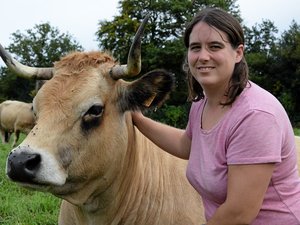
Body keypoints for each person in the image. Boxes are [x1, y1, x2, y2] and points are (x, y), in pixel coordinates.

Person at [132, 7, 300, 225]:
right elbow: (187, 146)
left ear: (238, 53)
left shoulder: (256, 116)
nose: (203, 56)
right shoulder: (202, 103)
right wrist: (137, 118)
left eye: (215, 46)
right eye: (195, 48)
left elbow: (239, 213)